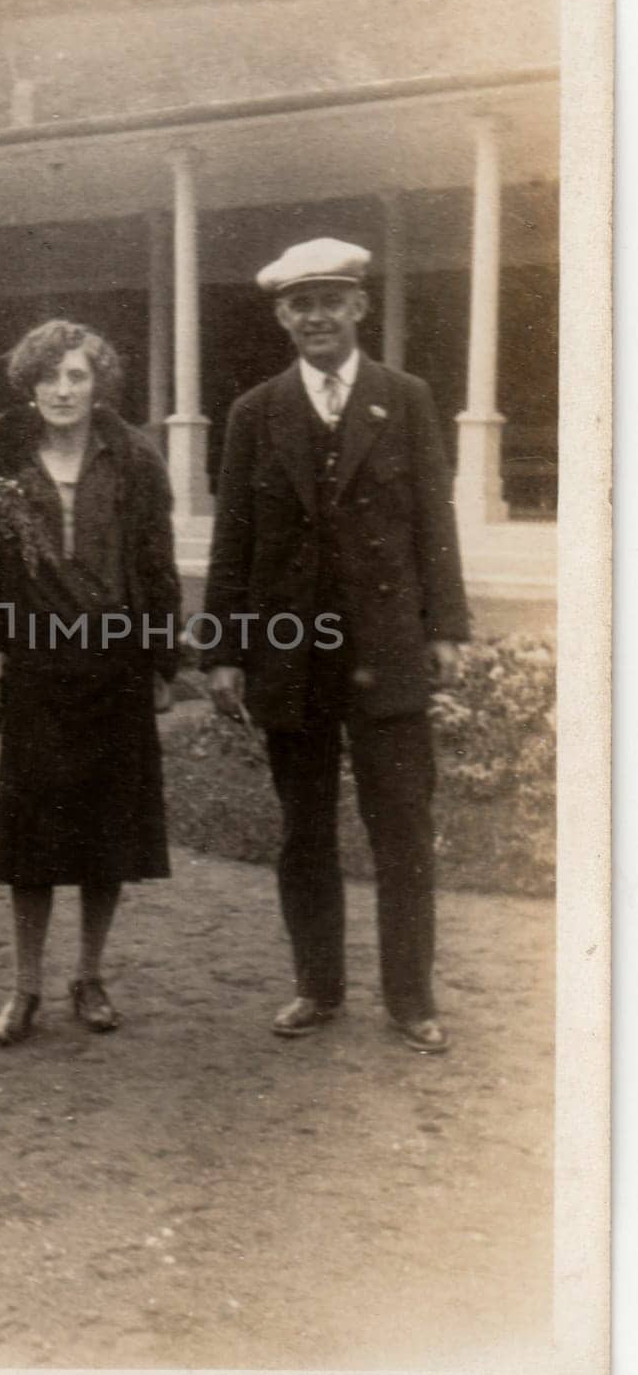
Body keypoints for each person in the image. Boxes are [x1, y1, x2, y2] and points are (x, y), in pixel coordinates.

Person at [202, 238, 469, 1053]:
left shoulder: (407, 398)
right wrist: (222, 649)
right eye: (299, 304)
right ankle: (317, 988)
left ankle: (410, 998)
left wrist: (447, 628)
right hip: (293, 653)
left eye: (330, 300)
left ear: (359, 307)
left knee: (402, 829)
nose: (316, 316)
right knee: (303, 830)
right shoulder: (256, 412)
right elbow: (234, 540)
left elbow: (434, 521)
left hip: (385, 650)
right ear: (282, 317)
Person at [0, 318, 181, 1045]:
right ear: (30, 383)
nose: (62, 390)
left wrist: (160, 659)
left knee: (105, 833)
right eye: (49, 376)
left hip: (116, 666)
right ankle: (24, 989)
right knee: (32, 838)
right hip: (37, 668)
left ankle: (88, 977)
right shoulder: (0, 456)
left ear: (98, 383)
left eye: (76, 376)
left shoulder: (135, 460)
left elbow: (156, 565)